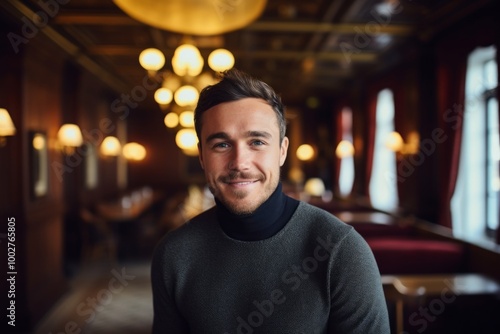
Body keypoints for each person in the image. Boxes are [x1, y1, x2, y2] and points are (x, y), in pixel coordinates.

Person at [151, 69, 390, 333]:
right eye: (221, 145)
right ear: (202, 157)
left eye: (256, 142)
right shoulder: (173, 254)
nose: (239, 162)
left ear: (282, 151)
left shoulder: (342, 251)